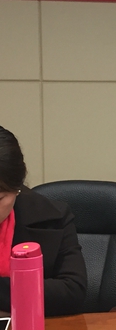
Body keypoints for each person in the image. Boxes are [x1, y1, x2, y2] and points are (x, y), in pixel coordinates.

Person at [0, 126, 87, 316]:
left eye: (0, 199)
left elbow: (73, 290)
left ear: (17, 188)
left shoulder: (52, 216)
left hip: (35, 325)